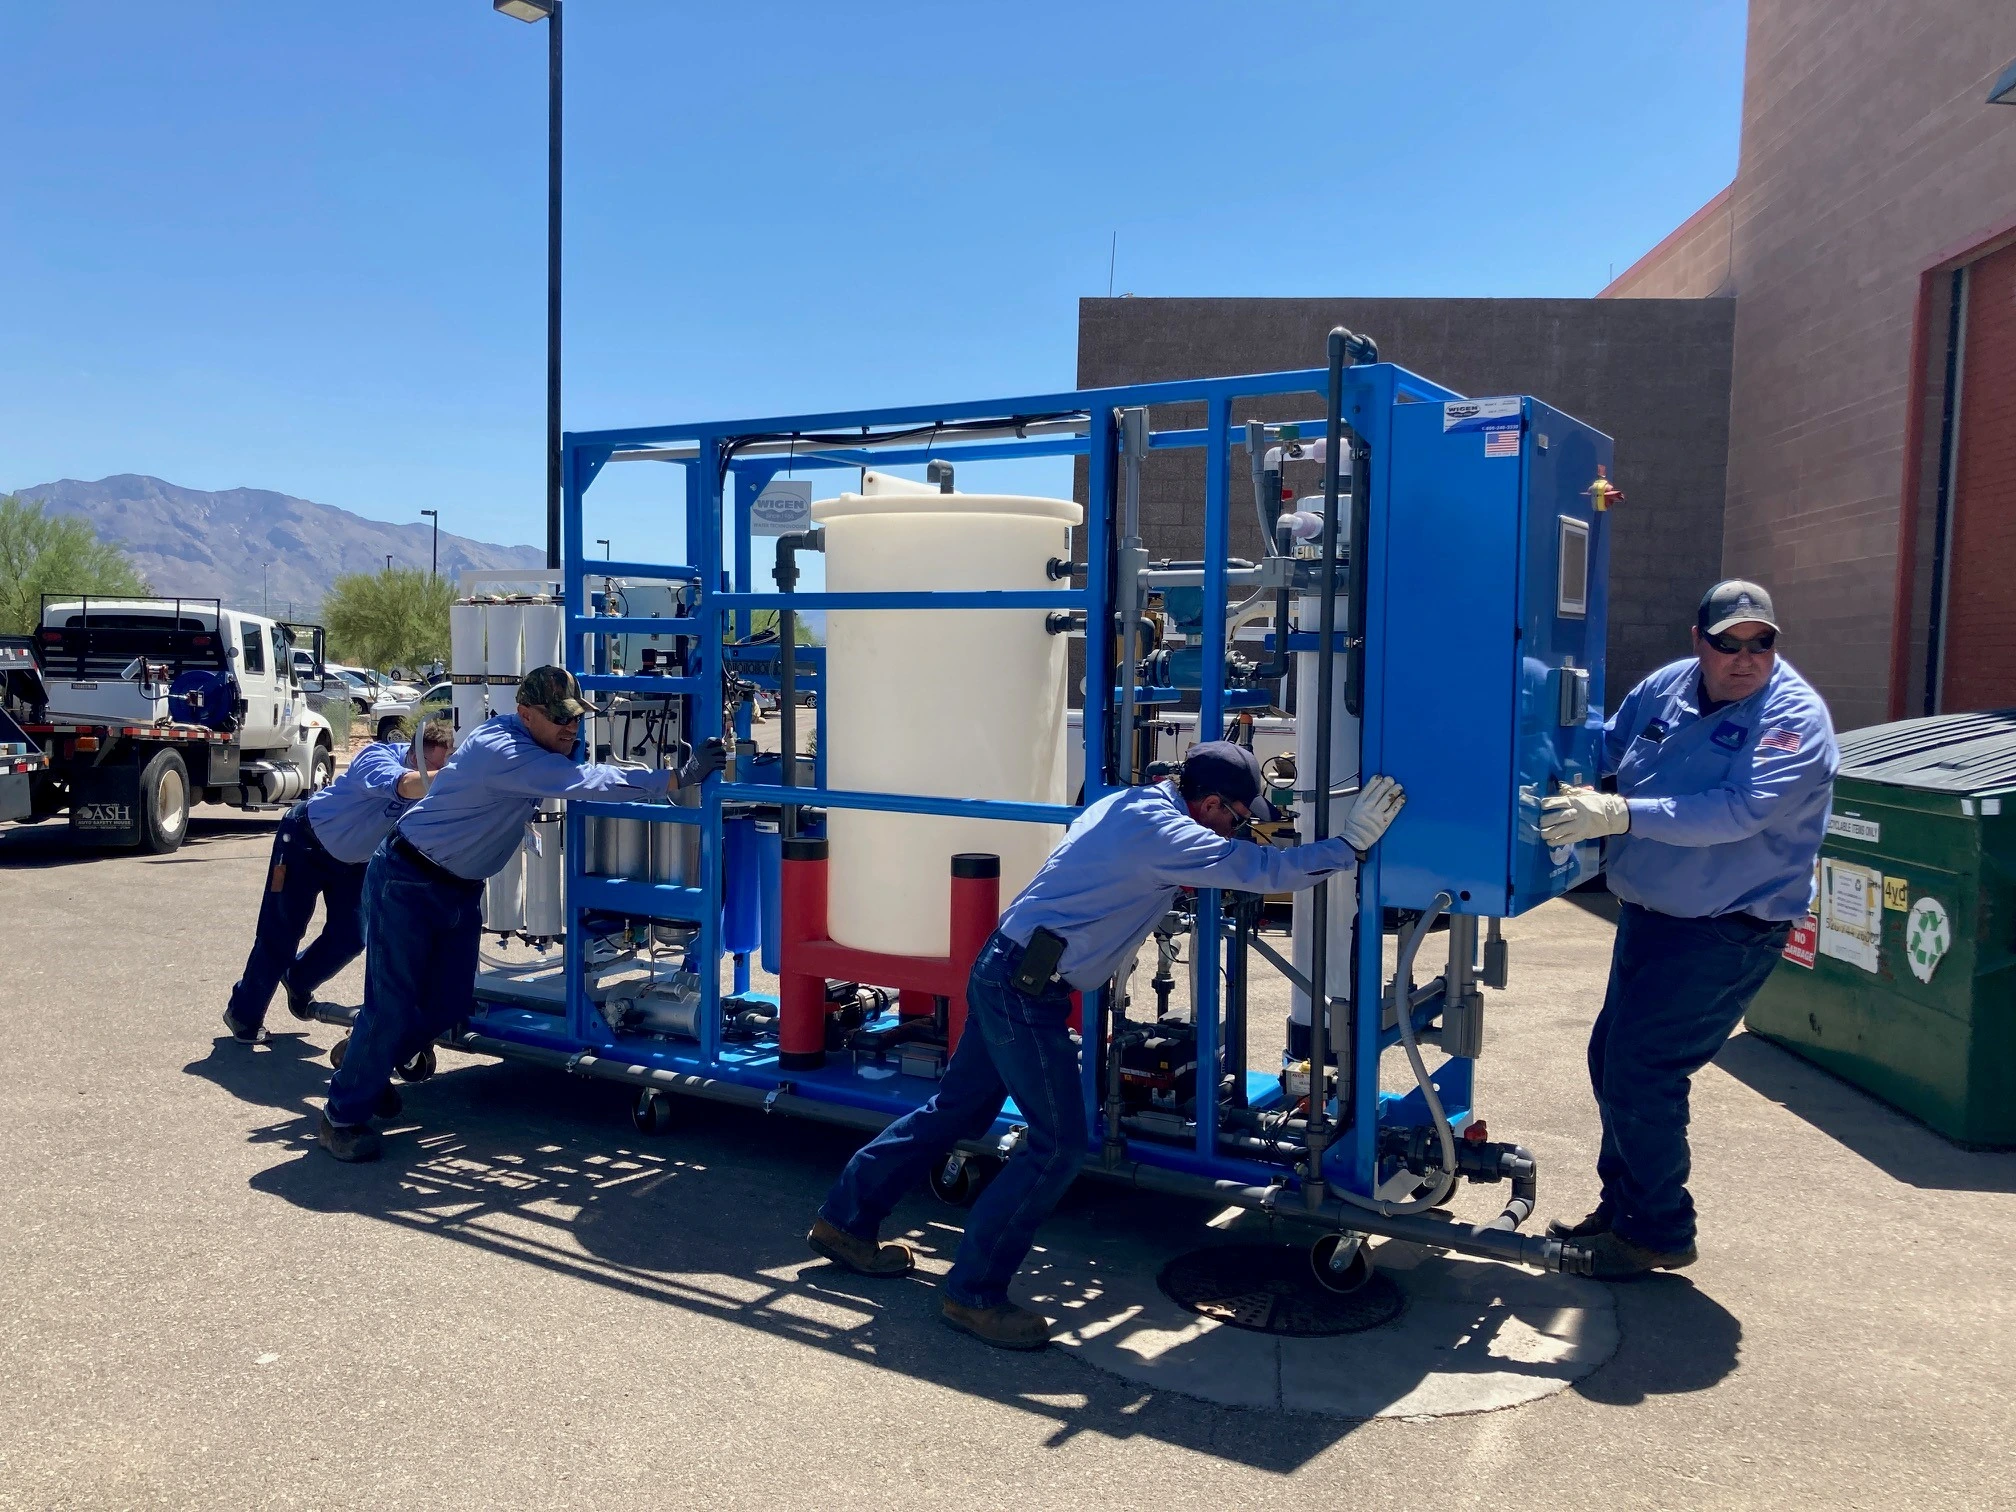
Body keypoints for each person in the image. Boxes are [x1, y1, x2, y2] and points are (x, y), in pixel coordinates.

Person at [805, 741, 1408, 1350]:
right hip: (1024, 988)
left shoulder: (1133, 802)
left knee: (958, 1109)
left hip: (1008, 967)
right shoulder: (1164, 831)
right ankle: (973, 1294)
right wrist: (1348, 847)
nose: (1238, 828)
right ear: (1209, 802)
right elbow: (1263, 871)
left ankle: (844, 1222)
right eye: (1235, 816)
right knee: (1060, 1142)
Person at [1540, 579, 1837, 1279]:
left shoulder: (1792, 717)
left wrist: (1618, 815)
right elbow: (1606, 746)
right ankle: (1624, 1209)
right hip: (1651, 915)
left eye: (1760, 642)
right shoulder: (1671, 686)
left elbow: (1737, 811)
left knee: (1644, 1071)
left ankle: (1658, 1231)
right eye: (1728, 643)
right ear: (1699, 641)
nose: (1745, 657)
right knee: (1611, 1058)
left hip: (1726, 929)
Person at [318, 666, 726, 1161]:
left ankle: (368, 1063)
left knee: (450, 1003)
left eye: (575, 720)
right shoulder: (504, 752)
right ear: (525, 714)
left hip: (456, 887)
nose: (571, 730)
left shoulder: (525, 740)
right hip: (408, 880)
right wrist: (676, 777)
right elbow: (585, 781)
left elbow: (569, 764)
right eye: (560, 721)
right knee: (393, 1002)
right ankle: (342, 1114)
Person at [221, 720, 453, 1044]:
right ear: (414, 755)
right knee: (281, 934)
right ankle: (243, 1014)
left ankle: (299, 979)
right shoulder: (376, 758)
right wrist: (453, 779)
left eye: (446, 767)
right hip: (303, 842)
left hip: (355, 862)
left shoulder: (431, 779)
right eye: (434, 767)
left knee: (352, 937)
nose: (439, 774)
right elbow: (405, 786)